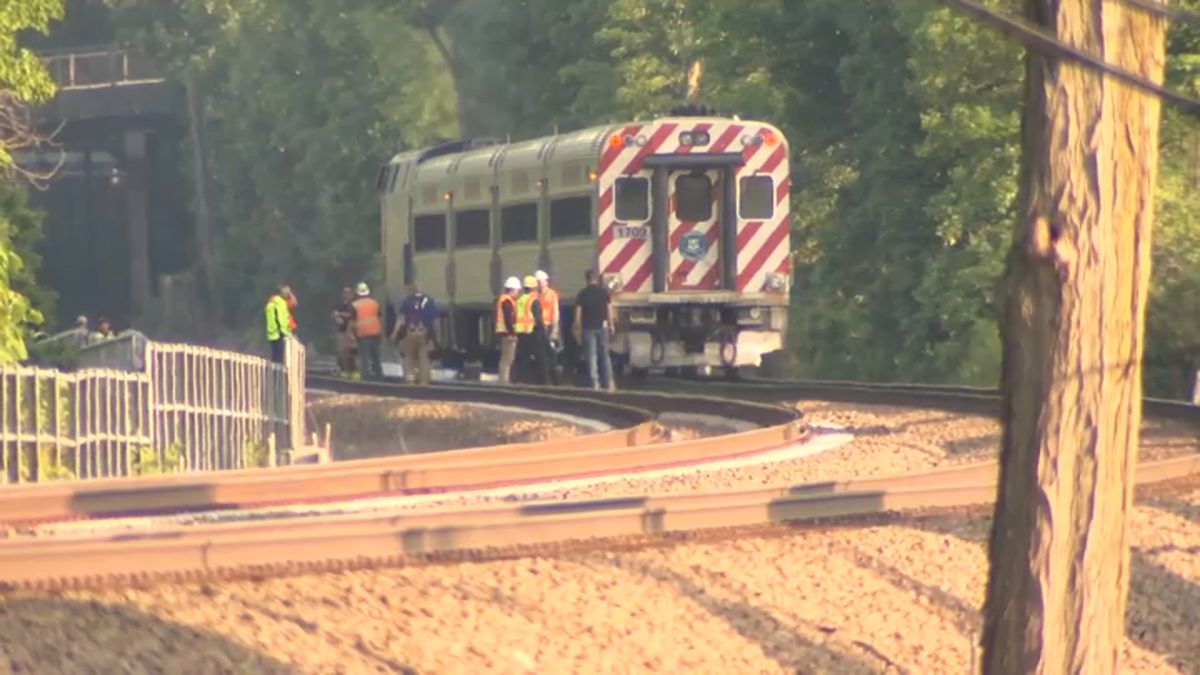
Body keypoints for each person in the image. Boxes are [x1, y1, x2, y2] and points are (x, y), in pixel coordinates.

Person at [574, 269, 616, 391]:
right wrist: (611, 324)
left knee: (591, 358)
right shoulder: (604, 293)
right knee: (605, 356)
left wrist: (577, 328)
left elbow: (578, 314)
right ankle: (610, 383)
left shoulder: (582, 294)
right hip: (602, 327)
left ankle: (595, 385)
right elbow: (609, 310)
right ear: (597, 279)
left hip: (588, 329)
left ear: (586, 279)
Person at [392, 280, 438, 384]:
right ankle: (424, 381)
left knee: (409, 356)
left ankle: (410, 378)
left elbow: (401, 319)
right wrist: (435, 336)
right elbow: (435, 320)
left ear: (411, 289)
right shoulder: (430, 301)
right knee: (424, 357)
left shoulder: (406, 301)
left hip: (411, 332)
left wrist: (394, 334)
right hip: (424, 332)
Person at [351, 282, 384, 379]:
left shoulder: (355, 305)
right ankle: (379, 377)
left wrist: (350, 334)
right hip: (376, 333)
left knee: (365, 357)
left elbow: (352, 322)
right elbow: (379, 317)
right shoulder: (374, 303)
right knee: (376, 357)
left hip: (363, 334)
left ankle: (366, 378)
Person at [495, 276, 521, 383]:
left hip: (504, 332)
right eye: (517, 290)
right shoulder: (507, 301)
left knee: (505, 358)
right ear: (512, 289)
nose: (518, 293)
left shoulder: (503, 299)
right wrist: (512, 333)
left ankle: (504, 379)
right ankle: (504, 381)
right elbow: (508, 318)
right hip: (507, 333)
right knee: (508, 359)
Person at [331, 287, 359, 379]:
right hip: (341, 331)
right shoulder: (340, 305)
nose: (347, 295)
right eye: (345, 293)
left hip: (352, 332)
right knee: (342, 352)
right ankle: (344, 370)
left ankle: (354, 371)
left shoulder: (354, 304)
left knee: (352, 352)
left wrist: (340, 314)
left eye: (349, 293)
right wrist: (336, 318)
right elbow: (334, 314)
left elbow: (352, 316)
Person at [265, 285, 293, 363]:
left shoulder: (271, 302)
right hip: (279, 333)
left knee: (275, 357)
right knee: (279, 359)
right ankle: (278, 373)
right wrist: (285, 333)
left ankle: (275, 373)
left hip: (272, 333)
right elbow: (280, 319)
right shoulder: (280, 302)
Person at [534, 270, 561, 348]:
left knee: (549, 348)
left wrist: (555, 329)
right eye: (538, 282)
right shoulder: (534, 295)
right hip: (537, 326)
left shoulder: (552, 294)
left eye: (540, 282)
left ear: (546, 282)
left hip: (548, 325)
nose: (539, 284)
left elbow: (556, 312)